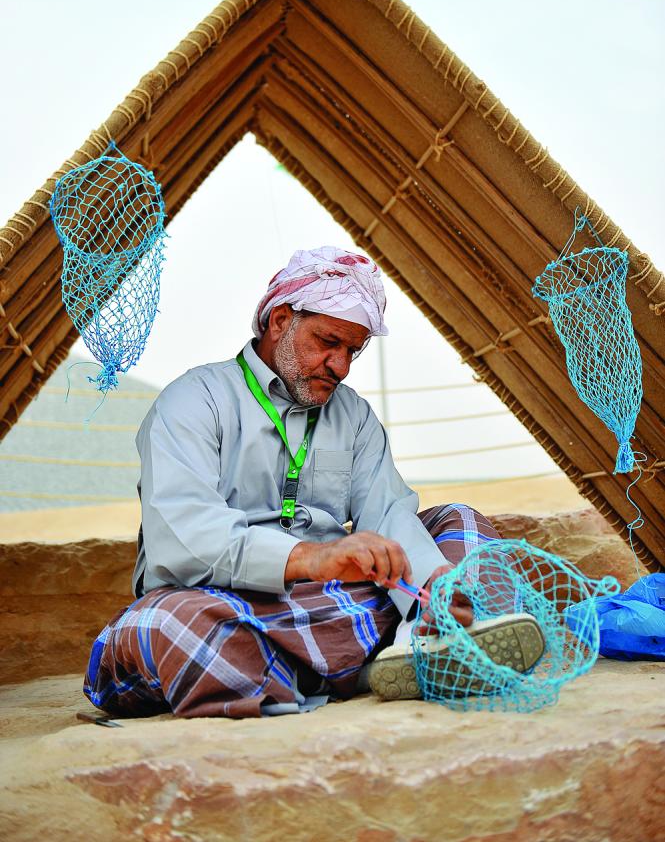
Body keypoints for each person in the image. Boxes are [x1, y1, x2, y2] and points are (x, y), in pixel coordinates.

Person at [84, 246, 542, 719]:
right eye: (328, 342)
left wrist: (434, 585)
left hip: (334, 603)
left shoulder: (354, 416)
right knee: (165, 626)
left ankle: (426, 638)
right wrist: (313, 558)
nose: (341, 366)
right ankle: (365, 669)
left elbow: (387, 515)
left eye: (353, 350)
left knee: (459, 525)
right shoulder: (195, 400)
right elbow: (182, 537)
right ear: (280, 321)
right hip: (230, 605)